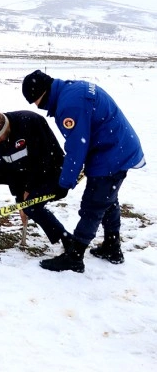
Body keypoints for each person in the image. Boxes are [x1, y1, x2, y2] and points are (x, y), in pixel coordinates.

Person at [22, 70, 146, 273]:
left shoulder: (69, 105)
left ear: (42, 93)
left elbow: (77, 147)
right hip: (116, 147)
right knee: (108, 199)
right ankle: (112, 247)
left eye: (35, 100)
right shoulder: (71, 91)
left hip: (111, 153)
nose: (37, 106)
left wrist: (65, 183)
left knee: (94, 205)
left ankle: (75, 256)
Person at [0, 110, 69, 246]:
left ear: (6, 126)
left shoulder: (29, 122)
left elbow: (43, 160)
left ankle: (67, 240)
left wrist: (27, 192)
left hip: (51, 171)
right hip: (22, 171)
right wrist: (19, 200)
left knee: (31, 206)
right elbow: (9, 166)